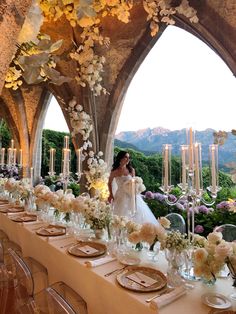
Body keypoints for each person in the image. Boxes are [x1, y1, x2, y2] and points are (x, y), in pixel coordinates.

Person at [108, 150, 157, 224]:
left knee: (136, 211)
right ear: (120, 158)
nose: (128, 159)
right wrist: (111, 194)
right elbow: (109, 183)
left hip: (132, 195)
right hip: (120, 195)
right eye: (125, 157)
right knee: (120, 213)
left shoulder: (131, 170)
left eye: (129, 157)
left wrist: (137, 188)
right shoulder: (114, 171)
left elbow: (135, 182)